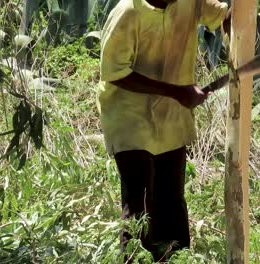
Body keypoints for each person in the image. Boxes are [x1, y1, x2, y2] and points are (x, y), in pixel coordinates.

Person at [97, 0, 231, 261]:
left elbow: (224, 15)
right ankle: (135, 258)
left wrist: (237, 30)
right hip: (129, 118)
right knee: (140, 207)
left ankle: (176, 258)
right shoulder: (128, 13)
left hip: (171, 119)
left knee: (171, 202)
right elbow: (114, 72)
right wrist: (176, 91)